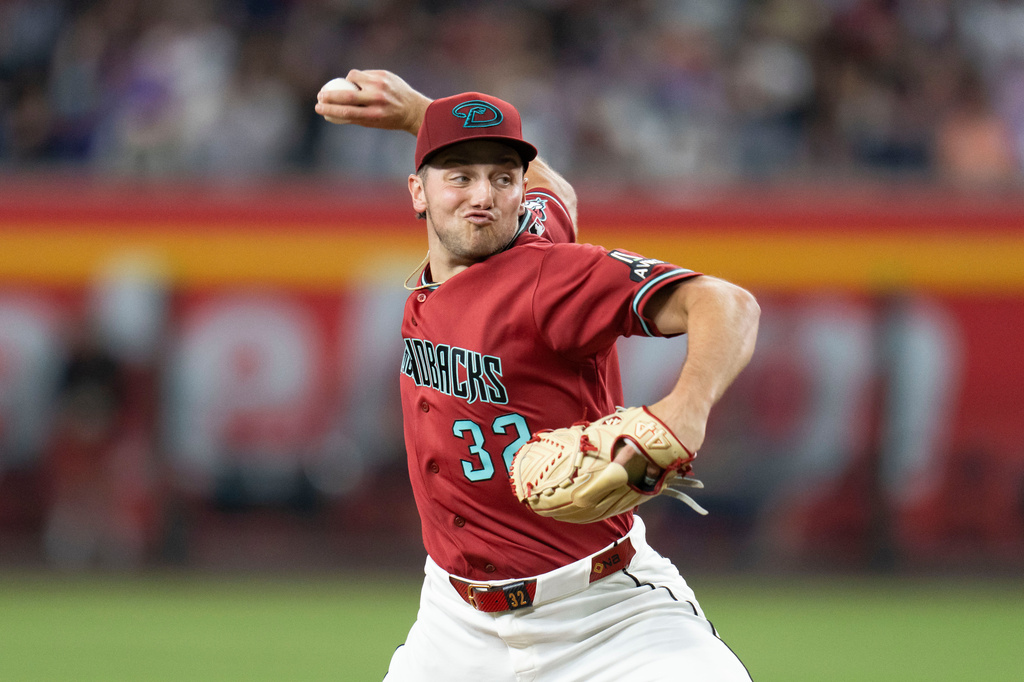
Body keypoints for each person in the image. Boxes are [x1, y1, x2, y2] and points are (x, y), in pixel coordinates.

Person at [316, 70, 760, 681]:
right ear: (417, 192)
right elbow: (561, 193)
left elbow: (728, 303)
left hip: (603, 615)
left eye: (503, 178)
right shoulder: (526, 225)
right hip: (455, 623)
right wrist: (421, 112)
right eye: (461, 177)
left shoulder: (552, 277)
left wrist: (685, 407)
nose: (483, 196)